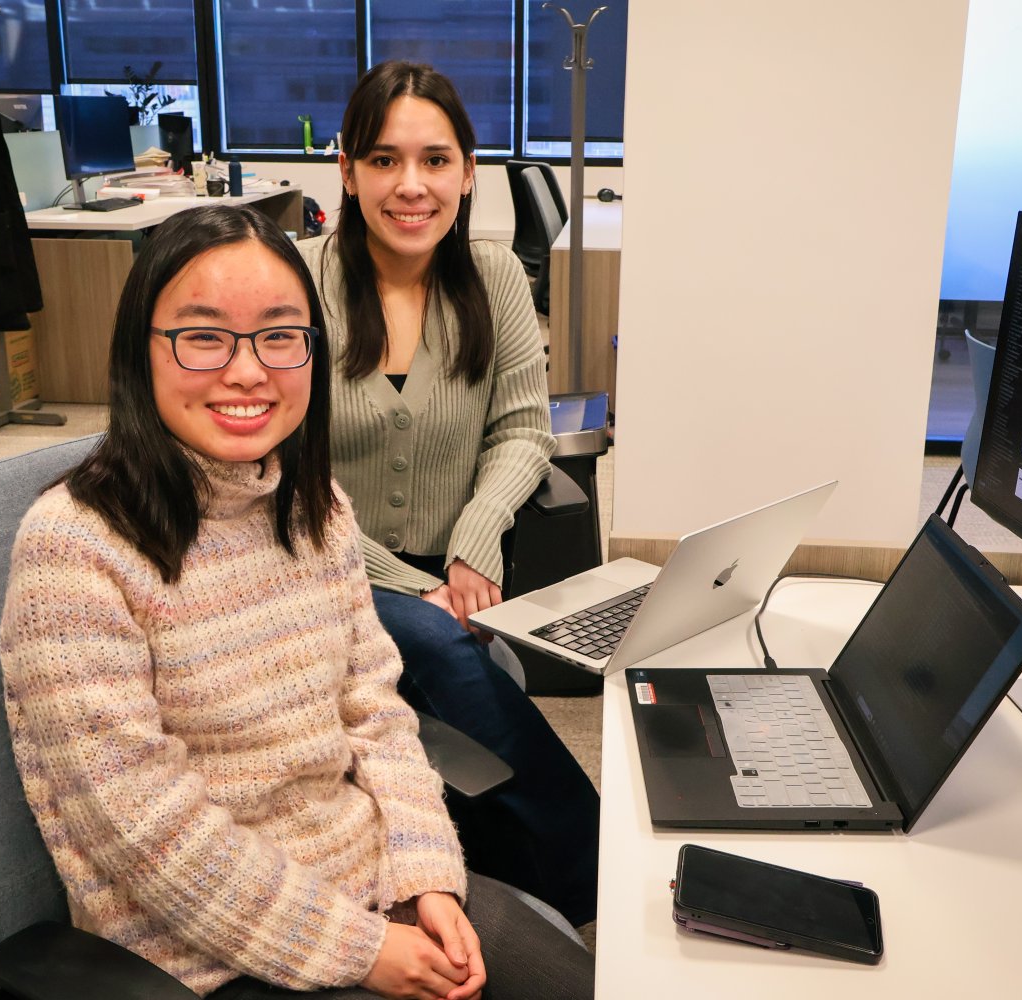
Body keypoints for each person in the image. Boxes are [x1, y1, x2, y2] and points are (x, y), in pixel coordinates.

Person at [0, 203, 594, 1000]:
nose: (248, 371)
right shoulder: (74, 549)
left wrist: (428, 878)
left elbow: (376, 712)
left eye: (279, 335)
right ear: (140, 351)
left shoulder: (314, 508)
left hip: (372, 884)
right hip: (205, 949)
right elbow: (142, 830)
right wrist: (364, 949)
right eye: (204, 336)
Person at [296, 60, 599, 927]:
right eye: (384, 160)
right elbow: (280, 471)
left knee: (444, 661)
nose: (411, 185)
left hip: (454, 566)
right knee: (436, 644)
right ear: (347, 171)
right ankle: (591, 868)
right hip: (320, 567)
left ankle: (507, 883)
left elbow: (523, 430)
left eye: (435, 160)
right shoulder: (296, 281)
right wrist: (410, 587)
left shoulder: (494, 277)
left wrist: (475, 542)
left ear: (469, 172)